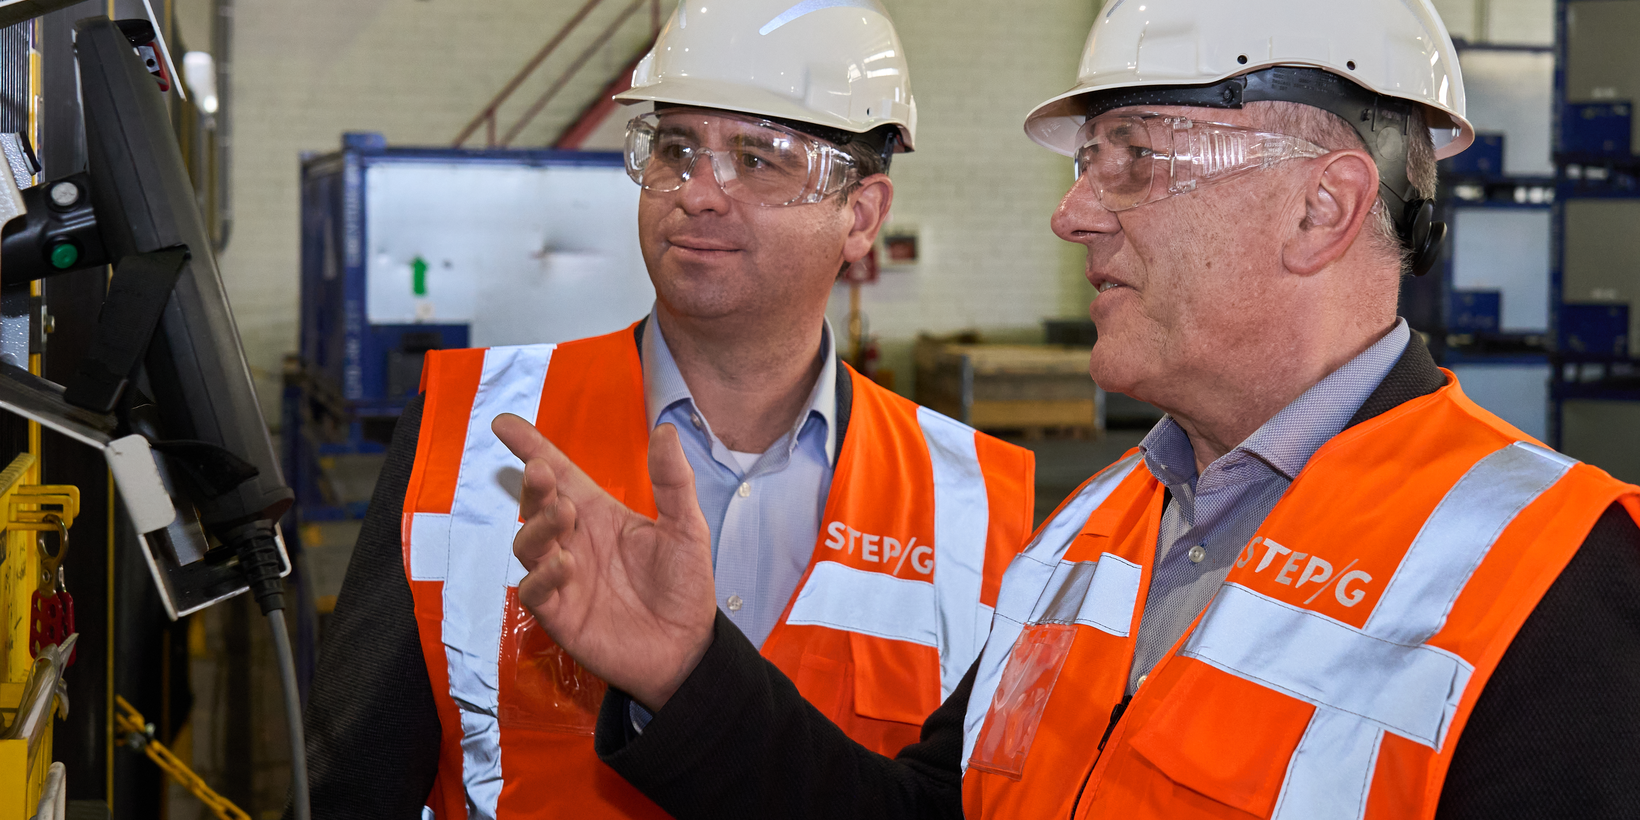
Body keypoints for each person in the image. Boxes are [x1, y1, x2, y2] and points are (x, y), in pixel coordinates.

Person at [493, 0, 1640, 818]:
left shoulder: (1552, 583)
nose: (1072, 215)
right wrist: (691, 676)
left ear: (1318, 210)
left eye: (1131, 159)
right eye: (1086, 161)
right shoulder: (1083, 533)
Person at [294, 2, 1038, 818]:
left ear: (860, 216)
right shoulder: (471, 435)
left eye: (758, 159)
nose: (699, 194)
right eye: (678, 149)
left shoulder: (979, 507)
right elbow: (353, 786)